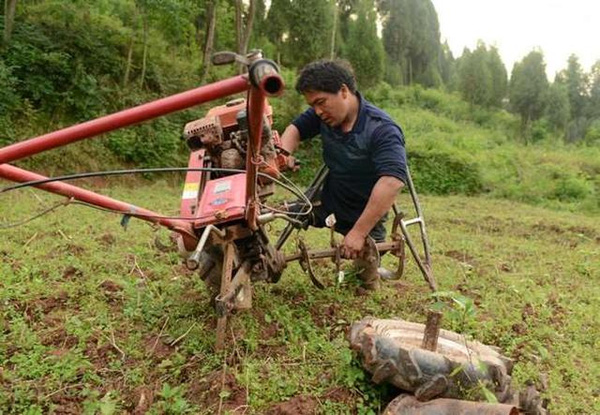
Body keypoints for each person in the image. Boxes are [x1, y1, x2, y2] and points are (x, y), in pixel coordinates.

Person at [280, 60, 407, 289]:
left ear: (344, 91)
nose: (317, 111)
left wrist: (359, 232)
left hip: (366, 212)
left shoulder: (382, 129)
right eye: (312, 105)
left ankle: (369, 274)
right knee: (277, 212)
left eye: (320, 102)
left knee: (363, 279)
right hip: (328, 197)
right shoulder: (322, 116)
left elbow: (392, 181)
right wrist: (282, 155)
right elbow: (295, 129)